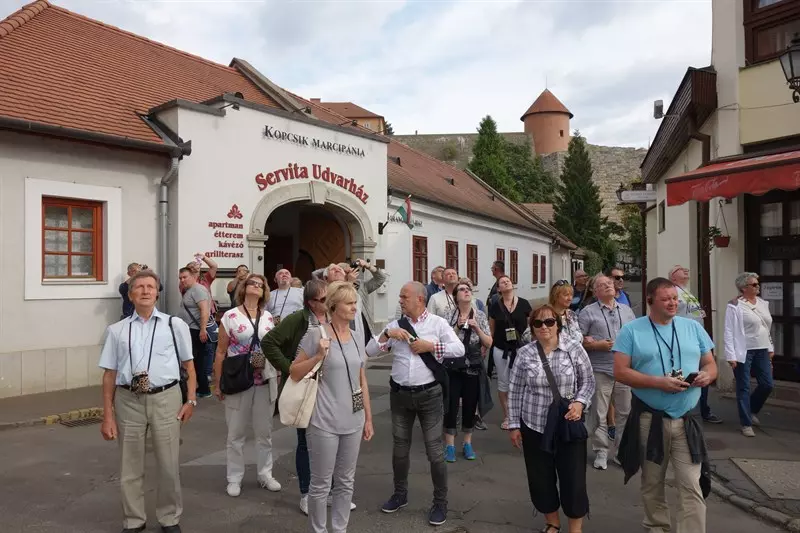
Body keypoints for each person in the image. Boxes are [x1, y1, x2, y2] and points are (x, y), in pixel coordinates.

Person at [614, 277, 717, 533]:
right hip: (651, 418)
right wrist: (657, 382)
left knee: (691, 483)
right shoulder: (631, 331)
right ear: (650, 300)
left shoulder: (692, 327)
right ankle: (657, 526)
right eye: (666, 299)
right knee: (652, 481)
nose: (673, 303)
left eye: (674, 298)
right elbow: (620, 372)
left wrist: (707, 375)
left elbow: (710, 363)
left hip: (687, 418)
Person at [99, 270, 197, 533]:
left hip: (166, 398)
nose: (145, 291)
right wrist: (107, 415)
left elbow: (189, 366)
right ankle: (134, 521)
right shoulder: (116, 330)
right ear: (130, 295)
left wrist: (190, 400)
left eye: (150, 287)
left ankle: (169, 518)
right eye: (139, 287)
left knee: (168, 465)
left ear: (157, 293)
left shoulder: (174, 325)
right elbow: (109, 375)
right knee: (129, 466)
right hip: (128, 400)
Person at [367, 281, 465, 526]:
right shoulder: (395, 325)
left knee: (435, 452)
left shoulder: (437, 323)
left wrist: (430, 346)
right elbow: (369, 351)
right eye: (400, 297)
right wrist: (386, 335)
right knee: (400, 450)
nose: (400, 300)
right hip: (400, 395)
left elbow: (459, 349)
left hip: (429, 395)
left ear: (420, 299)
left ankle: (440, 502)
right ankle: (400, 494)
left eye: (404, 296)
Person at [293, 281, 374, 533]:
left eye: (354, 303)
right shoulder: (316, 335)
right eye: (349, 303)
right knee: (320, 484)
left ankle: (340, 529)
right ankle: (318, 530)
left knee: (346, 482)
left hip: (354, 420)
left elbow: (361, 380)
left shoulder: (358, 336)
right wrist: (318, 356)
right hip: (323, 420)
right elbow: (294, 372)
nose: (354, 307)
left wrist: (368, 418)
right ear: (334, 306)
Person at [508, 305, 595, 533]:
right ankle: (552, 523)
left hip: (567, 424)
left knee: (573, 479)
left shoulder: (573, 348)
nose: (544, 327)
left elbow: (588, 381)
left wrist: (580, 403)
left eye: (549, 322)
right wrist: (514, 425)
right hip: (534, 425)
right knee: (541, 478)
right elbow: (515, 391)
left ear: (558, 324)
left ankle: (575, 528)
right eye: (538, 323)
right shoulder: (525, 354)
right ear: (532, 328)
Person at [262, 279, 329, 515]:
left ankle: (328, 491)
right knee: (305, 442)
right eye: (323, 299)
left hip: (330, 388)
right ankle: (306, 493)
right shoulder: (298, 320)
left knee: (330, 441)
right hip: (306, 385)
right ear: (311, 303)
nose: (329, 302)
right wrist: (288, 367)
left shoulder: (334, 317)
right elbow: (268, 342)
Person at [213, 273, 281, 497]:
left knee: (264, 433)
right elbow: (221, 351)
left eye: (261, 285)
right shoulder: (230, 316)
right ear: (244, 288)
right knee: (235, 434)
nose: (256, 286)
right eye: (252, 283)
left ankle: (265, 474)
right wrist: (218, 382)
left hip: (264, 379)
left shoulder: (268, 317)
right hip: (238, 379)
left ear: (264, 292)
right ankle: (234, 478)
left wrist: (278, 372)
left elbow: (274, 347)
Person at [578, 274, 636, 470]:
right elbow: (578, 340)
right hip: (600, 368)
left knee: (625, 412)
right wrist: (595, 345)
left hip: (624, 369)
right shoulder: (587, 312)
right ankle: (601, 451)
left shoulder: (627, 311)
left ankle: (620, 452)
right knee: (599, 413)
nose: (608, 286)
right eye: (602, 285)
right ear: (595, 292)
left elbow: (636, 335)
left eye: (610, 283)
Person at [443, 281, 493, 462]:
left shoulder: (480, 315)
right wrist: (457, 326)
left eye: (468, 289)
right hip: (453, 365)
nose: (466, 291)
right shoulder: (448, 314)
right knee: (451, 405)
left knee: (470, 405)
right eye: (462, 289)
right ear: (456, 296)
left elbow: (489, 342)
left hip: (473, 365)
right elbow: (443, 341)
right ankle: (449, 445)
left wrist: (477, 328)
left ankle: (467, 443)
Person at [670, 265, 722, 424]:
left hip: (696, 337)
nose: (686, 270)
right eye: (680, 269)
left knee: (702, 372)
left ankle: (703, 409)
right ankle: (678, 409)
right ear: (673, 277)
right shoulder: (673, 291)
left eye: (686, 268)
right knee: (680, 371)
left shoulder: (687, 291)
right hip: (681, 339)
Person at [724, 272, 774, 438]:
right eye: (754, 284)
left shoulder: (762, 303)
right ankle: (746, 423)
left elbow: (766, 327)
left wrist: (770, 346)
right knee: (743, 386)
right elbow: (729, 330)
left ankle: (751, 409)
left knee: (767, 384)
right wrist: (731, 355)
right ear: (744, 288)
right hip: (743, 350)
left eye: (757, 283)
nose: (758, 286)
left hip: (762, 348)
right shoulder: (735, 305)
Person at [489, 275, 533, 430]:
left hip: (521, 349)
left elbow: (531, 327)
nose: (506, 282)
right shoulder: (495, 306)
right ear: (498, 289)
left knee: (523, 381)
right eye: (502, 282)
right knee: (503, 382)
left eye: (507, 280)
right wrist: (487, 346)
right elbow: (491, 330)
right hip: (501, 349)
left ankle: (522, 413)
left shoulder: (524, 303)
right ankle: (508, 416)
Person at [178, 267, 213, 398]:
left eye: (185, 277)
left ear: (193, 276)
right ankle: (202, 387)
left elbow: (205, 310)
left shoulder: (198, 290)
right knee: (196, 361)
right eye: (180, 278)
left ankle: (204, 389)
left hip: (196, 330)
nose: (182, 280)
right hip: (191, 330)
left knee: (197, 361)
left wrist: (203, 329)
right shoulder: (189, 290)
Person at [550, 280, 582, 345]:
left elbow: (580, 337)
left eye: (571, 295)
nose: (570, 298)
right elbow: (528, 335)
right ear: (555, 296)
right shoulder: (546, 314)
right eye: (566, 295)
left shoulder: (572, 314)